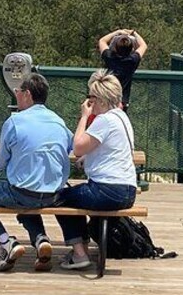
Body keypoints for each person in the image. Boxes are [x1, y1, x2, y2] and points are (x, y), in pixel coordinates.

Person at [0, 73, 73, 273]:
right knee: (28, 203)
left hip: (21, 192)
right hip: (54, 194)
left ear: (27, 94)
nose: (16, 94)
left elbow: (0, 165)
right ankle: (40, 239)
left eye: (18, 91)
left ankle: (6, 243)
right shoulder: (58, 121)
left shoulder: (15, 122)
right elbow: (71, 147)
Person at [55, 70, 137, 270]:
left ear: (99, 100)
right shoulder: (121, 117)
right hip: (127, 190)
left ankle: (79, 252)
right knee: (75, 195)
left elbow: (77, 148)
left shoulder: (104, 120)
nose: (88, 102)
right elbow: (105, 148)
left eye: (90, 97)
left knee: (60, 198)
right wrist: (87, 158)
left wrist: (84, 117)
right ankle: (81, 246)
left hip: (107, 190)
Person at [98, 29, 148, 110]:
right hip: (122, 102)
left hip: (107, 99)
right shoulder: (132, 60)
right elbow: (143, 45)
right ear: (131, 48)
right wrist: (133, 32)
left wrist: (117, 32)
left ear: (115, 47)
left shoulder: (109, 57)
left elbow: (102, 41)